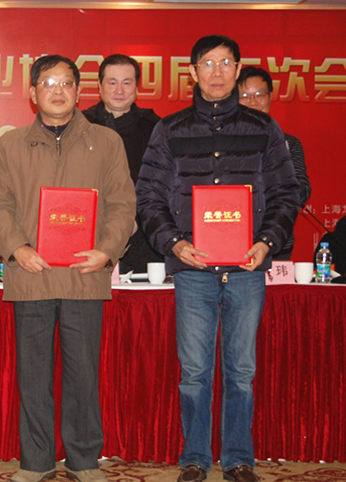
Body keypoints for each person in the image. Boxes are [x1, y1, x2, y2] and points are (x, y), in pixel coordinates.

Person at [136, 36, 299, 482]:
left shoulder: (264, 129)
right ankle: (194, 458)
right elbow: (148, 196)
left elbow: (287, 193)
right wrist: (174, 243)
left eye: (226, 63)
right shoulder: (169, 130)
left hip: (247, 267)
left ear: (238, 69)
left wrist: (267, 241)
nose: (217, 72)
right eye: (207, 64)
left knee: (241, 371)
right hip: (193, 268)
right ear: (193, 71)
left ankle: (238, 458)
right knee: (194, 372)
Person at [0, 55, 135, 482]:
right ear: (32, 93)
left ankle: (83, 459)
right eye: (48, 83)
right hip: (30, 274)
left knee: (83, 375)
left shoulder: (106, 142)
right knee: (33, 376)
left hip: (84, 276)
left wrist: (106, 252)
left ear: (78, 91)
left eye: (66, 83)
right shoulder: (11, 144)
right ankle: (36, 461)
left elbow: (123, 204)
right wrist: (17, 249)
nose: (57, 91)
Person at [83, 54, 163, 273]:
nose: (119, 90)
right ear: (99, 85)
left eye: (127, 83)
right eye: (112, 83)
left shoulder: (155, 129)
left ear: (136, 87)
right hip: (89, 235)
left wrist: (133, 220)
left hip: (142, 237)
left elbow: (161, 186)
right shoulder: (79, 126)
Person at [237, 66, 311, 260]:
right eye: (244, 95)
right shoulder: (222, 144)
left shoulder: (288, 143)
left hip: (276, 244)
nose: (253, 102)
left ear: (270, 96)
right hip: (232, 239)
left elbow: (302, 192)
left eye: (259, 94)